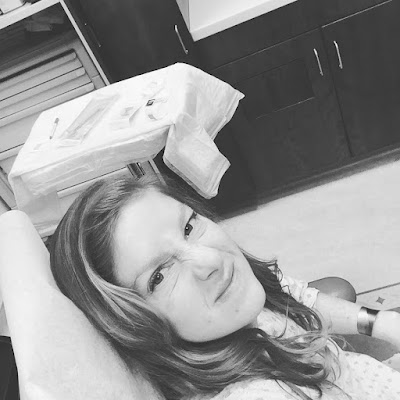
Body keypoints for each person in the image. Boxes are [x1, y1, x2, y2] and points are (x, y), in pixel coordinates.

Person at [49, 175, 400, 400]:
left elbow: (292, 294)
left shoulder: (235, 301)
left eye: (189, 226)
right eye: (159, 276)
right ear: (133, 324)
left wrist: (382, 323)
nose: (211, 260)